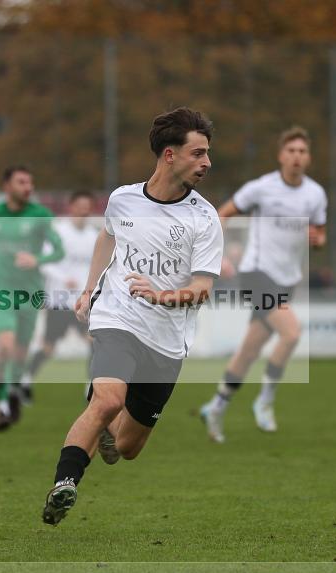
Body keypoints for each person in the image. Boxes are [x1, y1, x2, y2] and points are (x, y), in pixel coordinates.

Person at [41, 107, 223, 525]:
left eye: (208, 154)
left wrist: (162, 296)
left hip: (167, 339)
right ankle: (64, 484)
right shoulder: (124, 198)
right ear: (169, 155)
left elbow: (202, 290)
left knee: (127, 448)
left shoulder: (204, 219)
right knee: (107, 400)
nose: (207, 163)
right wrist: (90, 288)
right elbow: (109, 234)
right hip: (117, 316)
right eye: (198, 153)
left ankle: (107, 426)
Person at [199, 126, 327, 443]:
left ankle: (215, 406)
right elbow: (223, 214)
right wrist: (219, 253)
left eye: (302, 152)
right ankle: (265, 401)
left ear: (308, 158)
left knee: (249, 349)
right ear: (281, 155)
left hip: (286, 279)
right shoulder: (262, 188)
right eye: (291, 151)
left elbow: (321, 235)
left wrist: (317, 240)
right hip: (256, 273)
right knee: (292, 333)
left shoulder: (315, 194)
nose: (296, 157)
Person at [0, 166, 64, 431]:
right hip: (2, 292)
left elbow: (59, 250)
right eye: (21, 182)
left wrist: (37, 259)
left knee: (19, 355)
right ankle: (1, 406)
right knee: (4, 348)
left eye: (30, 182)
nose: (28, 187)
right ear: (7, 186)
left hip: (30, 293)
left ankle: (15, 390)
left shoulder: (40, 215)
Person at [21, 191, 99, 399]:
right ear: (71, 207)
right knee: (48, 347)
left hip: (81, 302)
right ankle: (26, 379)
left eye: (87, 207)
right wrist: (64, 278)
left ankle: (91, 386)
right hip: (59, 299)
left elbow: (97, 267)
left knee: (93, 341)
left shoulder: (93, 236)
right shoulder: (59, 233)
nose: (83, 211)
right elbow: (43, 262)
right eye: (80, 206)